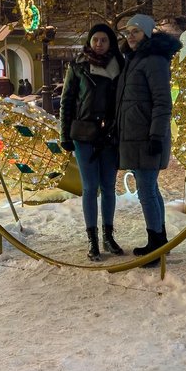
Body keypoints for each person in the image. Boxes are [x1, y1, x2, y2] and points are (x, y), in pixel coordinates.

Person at [114, 14, 181, 267]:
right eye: (128, 32)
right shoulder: (134, 60)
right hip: (136, 136)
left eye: (136, 31)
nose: (130, 36)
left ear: (148, 34)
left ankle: (156, 244)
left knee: (146, 191)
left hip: (146, 137)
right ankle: (159, 240)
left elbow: (163, 102)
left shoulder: (153, 60)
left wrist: (155, 135)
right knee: (150, 189)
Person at [60, 23, 125, 261]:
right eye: (95, 39)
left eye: (104, 40)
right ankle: (93, 240)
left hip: (110, 136)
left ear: (111, 43)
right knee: (89, 188)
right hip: (84, 134)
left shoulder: (120, 65)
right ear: (89, 42)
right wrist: (64, 135)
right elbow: (67, 102)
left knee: (108, 187)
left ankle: (108, 236)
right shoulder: (78, 66)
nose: (99, 44)